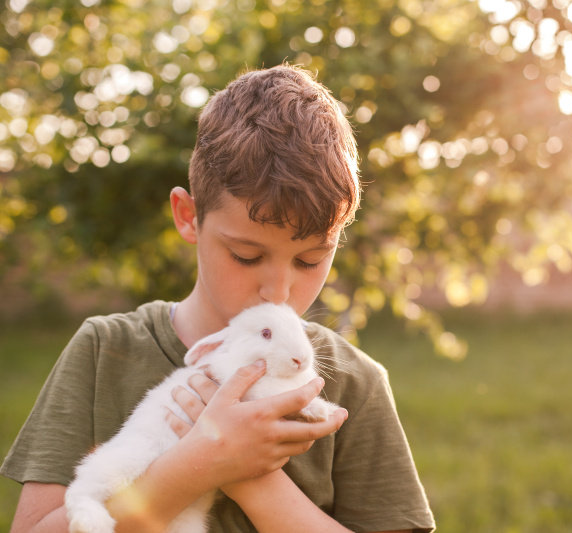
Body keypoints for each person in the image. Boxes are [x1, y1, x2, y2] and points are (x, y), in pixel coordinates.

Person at [2, 64, 436, 533]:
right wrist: (195, 466)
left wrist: (253, 479)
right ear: (189, 217)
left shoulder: (353, 384)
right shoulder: (103, 351)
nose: (279, 291)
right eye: (247, 256)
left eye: (310, 260)